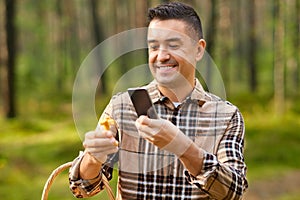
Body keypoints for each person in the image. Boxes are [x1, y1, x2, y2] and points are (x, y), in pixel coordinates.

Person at [69, 2, 248, 199]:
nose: (161, 56)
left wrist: (182, 147)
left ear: (198, 50)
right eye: (154, 47)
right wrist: (93, 158)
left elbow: (233, 191)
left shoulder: (226, 116)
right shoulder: (123, 106)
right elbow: (82, 188)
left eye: (173, 45)